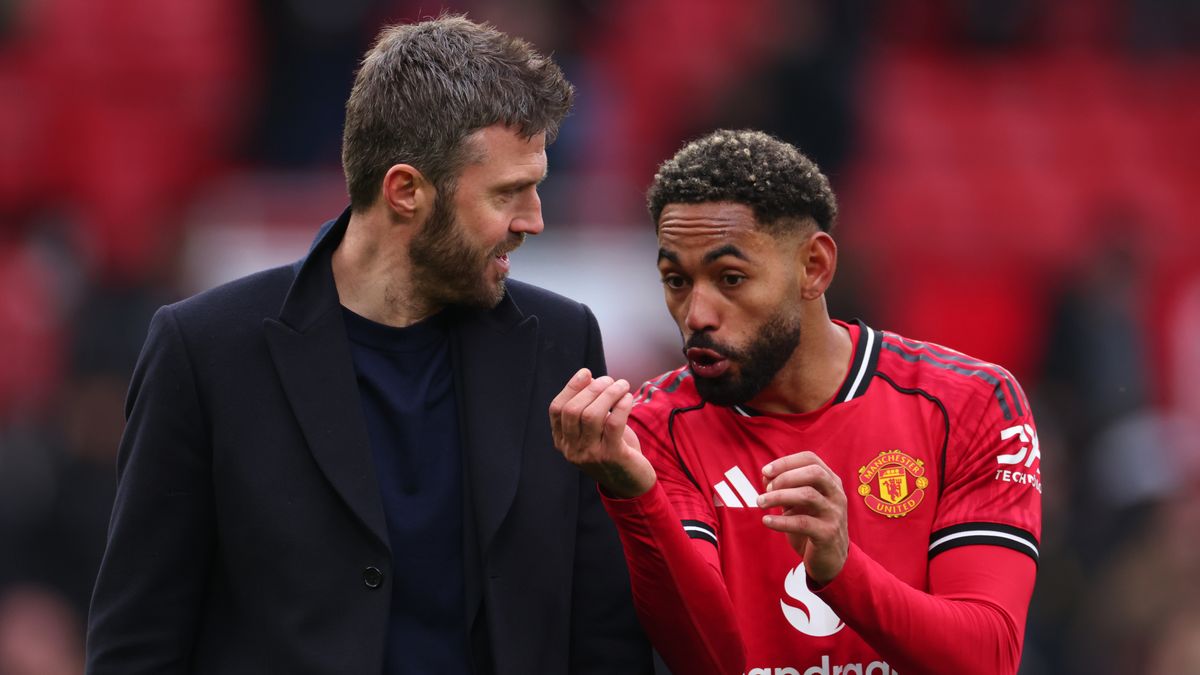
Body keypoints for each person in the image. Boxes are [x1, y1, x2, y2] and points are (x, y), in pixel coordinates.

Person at [86, 16, 651, 675]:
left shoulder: (561, 342)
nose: (534, 220)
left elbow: (603, 632)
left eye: (537, 188)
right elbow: (138, 645)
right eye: (508, 193)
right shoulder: (205, 352)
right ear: (405, 190)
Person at [550, 129, 1040, 675]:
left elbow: (986, 660)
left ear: (814, 268)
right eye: (677, 281)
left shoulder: (970, 403)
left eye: (730, 278)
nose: (696, 315)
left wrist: (842, 570)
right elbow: (707, 658)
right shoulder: (654, 429)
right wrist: (634, 495)